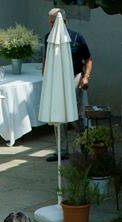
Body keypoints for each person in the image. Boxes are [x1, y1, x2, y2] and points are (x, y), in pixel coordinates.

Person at [43, 7, 92, 162]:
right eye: (50, 23)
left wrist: (86, 78)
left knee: (75, 115)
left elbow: (89, 60)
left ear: (64, 21)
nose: (51, 26)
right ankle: (62, 150)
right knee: (58, 115)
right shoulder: (48, 38)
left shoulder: (77, 38)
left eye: (54, 22)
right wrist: (45, 73)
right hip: (57, 80)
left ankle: (83, 146)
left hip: (75, 77)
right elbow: (46, 58)